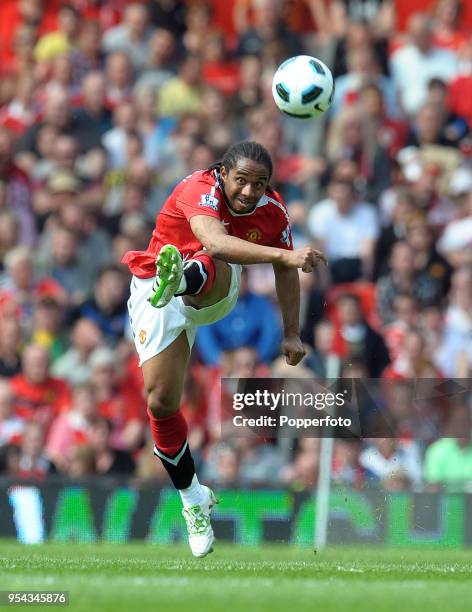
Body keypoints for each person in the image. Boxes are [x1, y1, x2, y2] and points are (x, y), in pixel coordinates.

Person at [122, 141, 326, 557]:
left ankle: (179, 278)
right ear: (223, 173)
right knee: (161, 403)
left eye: (260, 184)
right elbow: (217, 239)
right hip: (152, 288)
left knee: (209, 262)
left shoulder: (275, 212)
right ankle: (194, 499)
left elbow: (280, 271)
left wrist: (291, 333)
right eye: (242, 181)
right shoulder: (198, 187)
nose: (250, 192)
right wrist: (285, 255)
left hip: (213, 287)